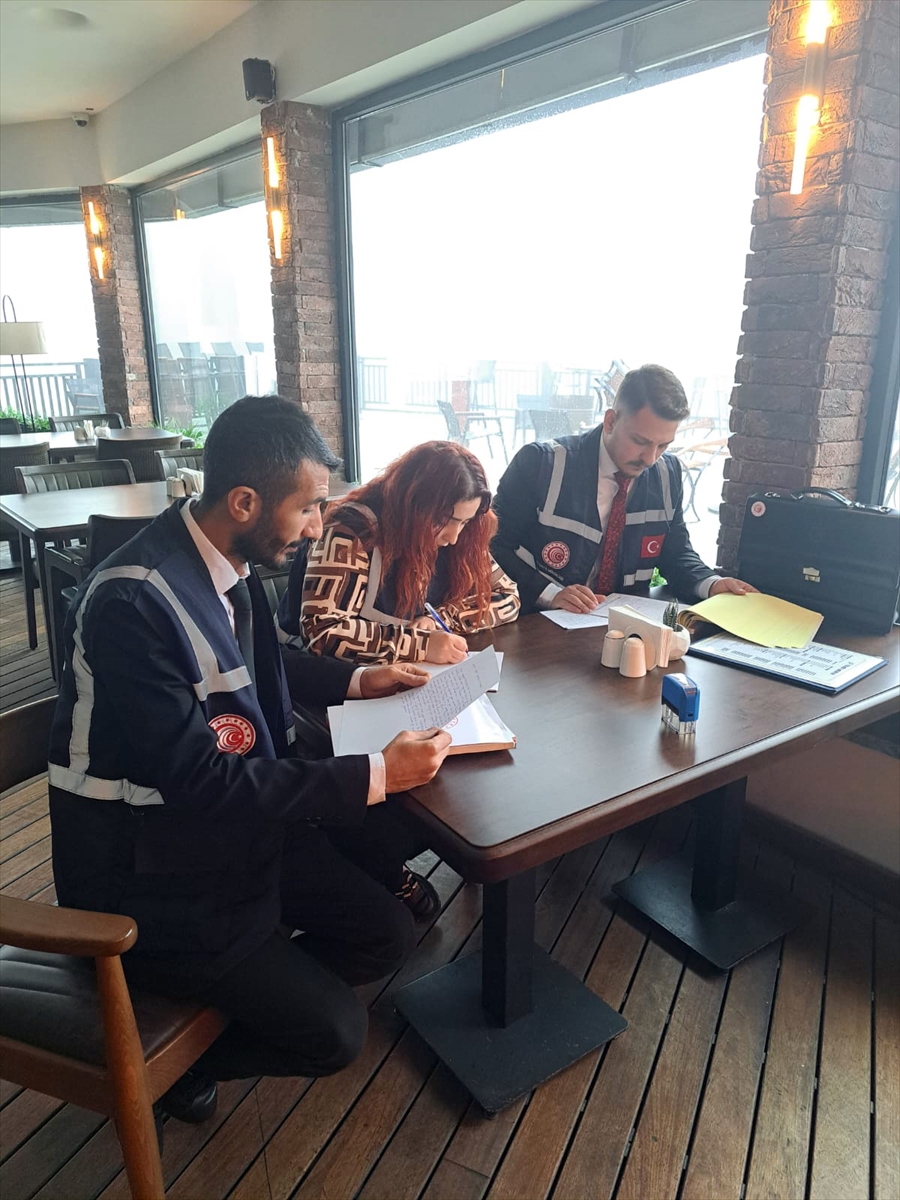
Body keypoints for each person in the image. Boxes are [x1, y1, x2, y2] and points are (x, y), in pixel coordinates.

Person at [47, 395, 452, 1127]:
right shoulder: (131, 603)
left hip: (232, 834)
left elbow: (266, 664)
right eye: (310, 508)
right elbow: (200, 782)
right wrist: (377, 774)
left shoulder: (226, 562)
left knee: (387, 933)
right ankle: (179, 1069)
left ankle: (245, 991)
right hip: (151, 876)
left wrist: (361, 679)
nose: (318, 526)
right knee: (335, 1034)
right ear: (244, 502)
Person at [491, 364, 756, 613]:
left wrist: (712, 584)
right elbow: (492, 546)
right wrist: (551, 593)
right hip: (536, 620)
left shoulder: (668, 473)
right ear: (610, 421)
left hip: (622, 623)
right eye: (640, 441)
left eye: (663, 446)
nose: (650, 458)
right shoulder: (541, 463)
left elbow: (675, 553)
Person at [284, 440, 520, 664]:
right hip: (310, 673)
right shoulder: (351, 530)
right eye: (442, 520)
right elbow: (322, 633)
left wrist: (441, 620)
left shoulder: (464, 536)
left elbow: (508, 596)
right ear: (413, 505)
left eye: (464, 522)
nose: (453, 537)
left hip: (400, 673)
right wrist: (420, 645)